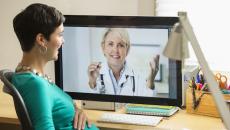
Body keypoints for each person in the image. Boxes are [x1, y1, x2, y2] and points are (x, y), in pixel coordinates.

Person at [11, 3, 98, 130]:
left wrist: (75, 111)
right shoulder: (35, 84)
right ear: (41, 39)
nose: (63, 40)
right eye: (60, 35)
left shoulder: (31, 76)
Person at [88, 28, 160, 96]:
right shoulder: (94, 74)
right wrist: (93, 83)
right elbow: (89, 105)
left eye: (121, 45)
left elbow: (148, 104)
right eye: (111, 44)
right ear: (103, 48)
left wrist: (151, 79)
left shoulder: (138, 77)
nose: (115, 50)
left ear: (127, 49)